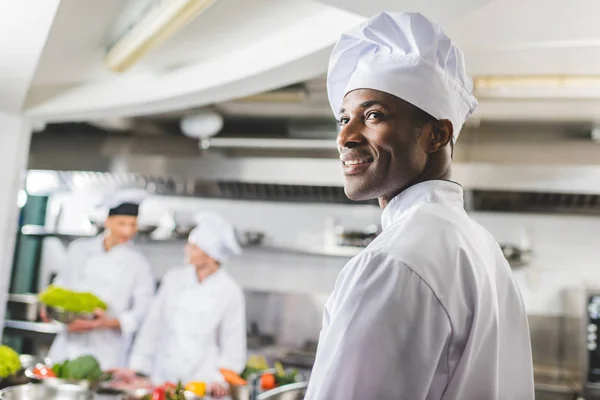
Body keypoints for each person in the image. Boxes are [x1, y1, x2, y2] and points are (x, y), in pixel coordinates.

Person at [304, 12, 534, 400]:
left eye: (373, 115)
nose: (344, 136)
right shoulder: (480, 247)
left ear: (437, 134)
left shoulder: (394, 264)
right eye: (344, 118)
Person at [127, 212, 246, 398]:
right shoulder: (173, 279)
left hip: (200, 384)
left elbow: (233, 344)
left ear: (210, 256)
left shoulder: (230, 291)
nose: (187, 249)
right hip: (162, 380)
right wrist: (138, 367)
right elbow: (153, 325)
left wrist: (219, 379)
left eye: (194, 246)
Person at [45, 188, 156, 370]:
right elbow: (61, 286)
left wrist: (106, 322)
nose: (127, 231)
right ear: (107, 221)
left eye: (133, 224)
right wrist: (50, 309)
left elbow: (143, 311)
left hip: (107, 352)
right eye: (122, 223)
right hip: (68, 344)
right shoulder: (78, 250)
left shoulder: (140, 264)